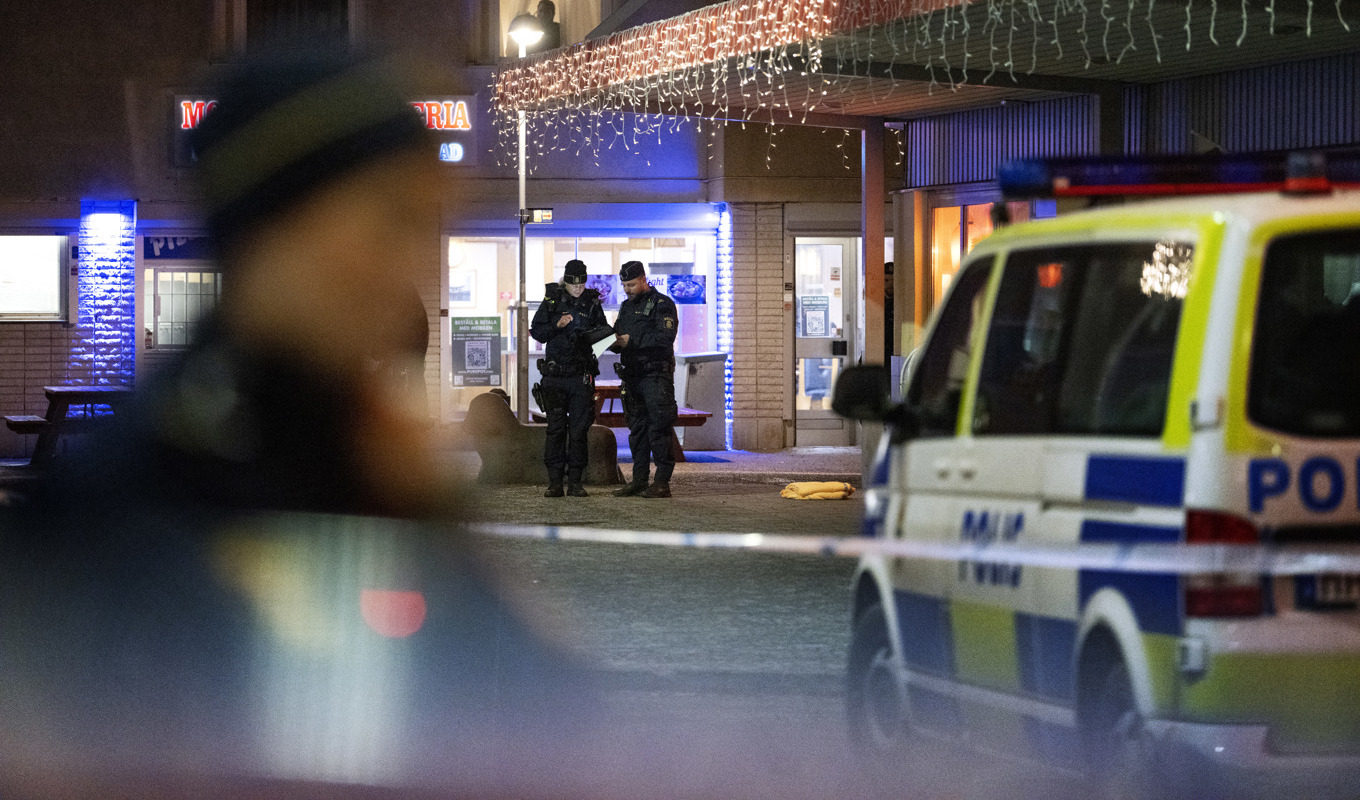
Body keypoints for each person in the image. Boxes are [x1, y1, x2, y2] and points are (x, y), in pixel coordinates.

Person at [530, 258, 608, 497]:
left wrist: (591, 341)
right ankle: (555, 482)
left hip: (580, 377)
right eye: (574, 285)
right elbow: (537, 332)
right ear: (566, 282)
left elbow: (604, 336)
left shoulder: (592, 302)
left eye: (582, 284)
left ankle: (575, 482)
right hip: (555, 376)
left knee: (578, 431)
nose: (578, 289)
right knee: (555, 429)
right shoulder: (552, 300)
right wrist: (557, 324)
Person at [610, 260, 679, 498]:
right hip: (632, 376)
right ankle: (639, 479)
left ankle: (662, 482)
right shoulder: (626, 307)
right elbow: (618, 334)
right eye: (624, 285)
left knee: (659, 428)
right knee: (637, 430)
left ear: (643, 280)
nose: (627, 289)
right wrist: (610, 341)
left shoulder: (662, 304)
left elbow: (665, 338)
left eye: (631, 284)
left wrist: (633, 341)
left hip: (655, 376)